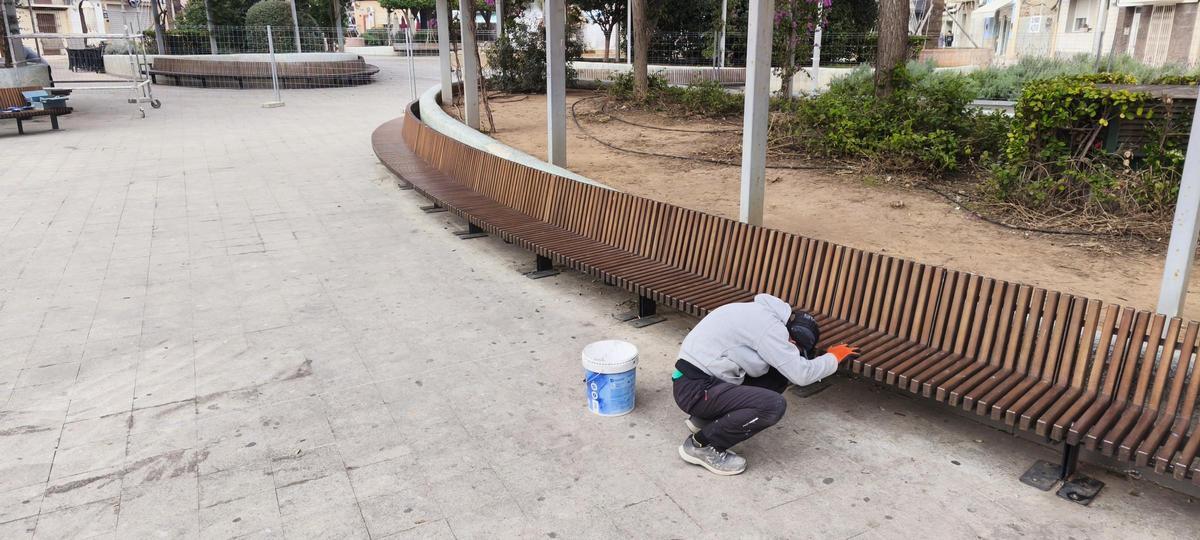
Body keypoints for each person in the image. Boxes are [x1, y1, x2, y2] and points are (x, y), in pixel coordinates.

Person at [672, 293, 859, 475]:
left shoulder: (760, 314)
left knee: (777, 376)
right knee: (772, 406)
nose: (792, 350)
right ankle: (702, 445)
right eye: (794, 347)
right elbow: (801, 375)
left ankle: (704, 421)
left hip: (694, 382)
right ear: (792, 338)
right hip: (697, 390)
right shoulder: (771, 329)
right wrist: (833, 358)